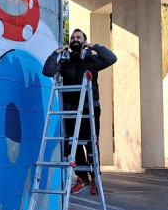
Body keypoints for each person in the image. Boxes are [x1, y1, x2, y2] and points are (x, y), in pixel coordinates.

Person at [42, 29, 117, 195]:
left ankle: (95, 178)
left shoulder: (91, 60)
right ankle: (82, 177)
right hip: (70, 110)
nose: (75, 39)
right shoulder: (64, 62)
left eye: (79, 38)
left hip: (89, 108)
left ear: (84, 41)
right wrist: (56, 53)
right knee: (72, 144)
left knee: (90, 143)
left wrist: (94, 46)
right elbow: (47, 71)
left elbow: (111, 58)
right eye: (73, 37)